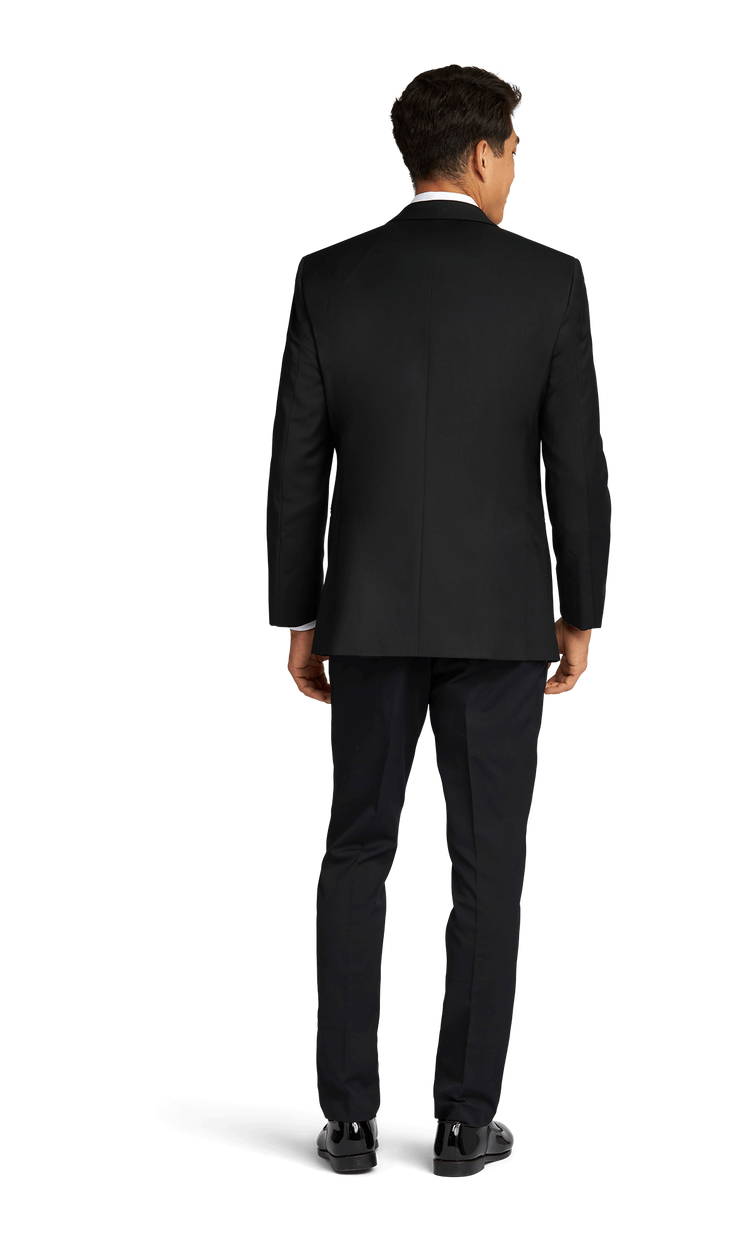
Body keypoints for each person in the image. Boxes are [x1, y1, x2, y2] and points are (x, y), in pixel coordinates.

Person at [266, 63, 612, 1178]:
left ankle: (347, 1119)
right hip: (502, 615)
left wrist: (299, 614)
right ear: (477, 154)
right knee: (486, 859)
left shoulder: (330, 276)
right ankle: (464, 1120)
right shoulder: (546, 283)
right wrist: (579, 612)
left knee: (354, 847)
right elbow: (577, 468)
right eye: (514, 150)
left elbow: (294, 466)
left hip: (364, 614)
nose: (520, 169)